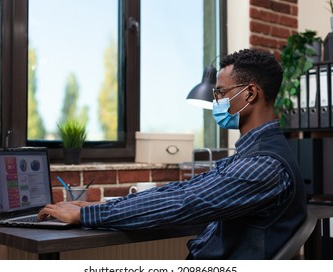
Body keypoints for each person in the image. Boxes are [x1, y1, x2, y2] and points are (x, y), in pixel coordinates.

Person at [38, 48, 307, 259]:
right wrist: (101, 207)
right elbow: (182, 190)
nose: (216, 102)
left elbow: (183, 204)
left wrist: (85, 216)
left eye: (221, 93)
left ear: (250, 93)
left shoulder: (264, 165)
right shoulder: (251, 155)